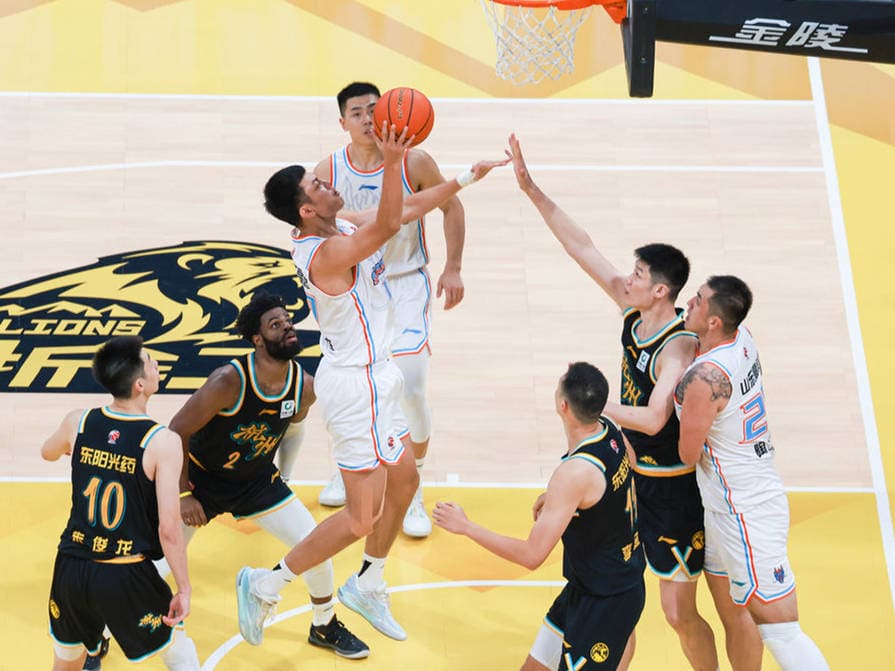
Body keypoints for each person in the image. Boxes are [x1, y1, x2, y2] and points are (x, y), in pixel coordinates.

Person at [236, 125, 507, 646]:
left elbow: (405, 209)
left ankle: (368, 582)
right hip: (353, 389)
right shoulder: (324, 254)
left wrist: (465, 178)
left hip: (379, 375)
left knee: (404, 482)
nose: (328, 183)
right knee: (361, 518)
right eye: (317, 185)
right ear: (306, 211)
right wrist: (393, 160)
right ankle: (267, 583)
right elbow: (386, 223)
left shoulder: (339, 224)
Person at [506, 134, 760, 670]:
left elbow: (654, 416)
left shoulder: (678, 347)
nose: (627, 278)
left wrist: (596, 405)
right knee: (616, 599)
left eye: (639, 274)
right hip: (628, 472)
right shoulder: (632, 308)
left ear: (661, 291)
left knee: (677, 612)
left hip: (671, 488)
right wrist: (532, 190)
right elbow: (582, 248)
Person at [152, 291, 368, 658]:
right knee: (158, 564)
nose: (288, 327)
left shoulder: (305, 387)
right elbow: (176, 431)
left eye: (288, 321)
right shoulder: (228, 381)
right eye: (275, 324)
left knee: (317, 546)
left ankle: (324, 624)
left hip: (255, 482)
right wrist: (184, 494)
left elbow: (293, 430)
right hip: (201, 481)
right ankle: (99, 632)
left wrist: (285, 476)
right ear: (257, 339)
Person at [300, 81, 466, 539]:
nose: (368, 119)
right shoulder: (328, 171)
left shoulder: (415, 161)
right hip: (354, 290)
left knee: (408, 387)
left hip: (404, 283)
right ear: (343, 123)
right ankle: (350, 468)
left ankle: (413, 484)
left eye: (375, 109)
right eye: (357, 113)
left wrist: (453, 267)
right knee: (352, 385)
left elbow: (451, 208)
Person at [433, 362, 646, 671]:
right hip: (597, 583)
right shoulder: (608, 428)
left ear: (563, 406)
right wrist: (569, 500)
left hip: (606, 600)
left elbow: (531, 556)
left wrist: (466, 527)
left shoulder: (573, 475)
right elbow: (630, 464)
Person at [675, 275, 830, 671]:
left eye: (698, 300)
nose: (689, 302)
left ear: (714, 321)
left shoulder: (705, 379)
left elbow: (687, 454)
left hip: (745, 511)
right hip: (726, 505)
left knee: (781, 629)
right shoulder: (741, 337)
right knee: (734, 611)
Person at [42, 336, 201, 671]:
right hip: (123, 572)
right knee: (180, 652)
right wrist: (184, 589)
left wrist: (78, 450)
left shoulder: (78, 421)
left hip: (70, 567)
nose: (157, 365)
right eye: (150, 361)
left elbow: (48, 452)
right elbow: (169, 530)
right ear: (139, 384)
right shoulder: (162, 441)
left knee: (67, 664)